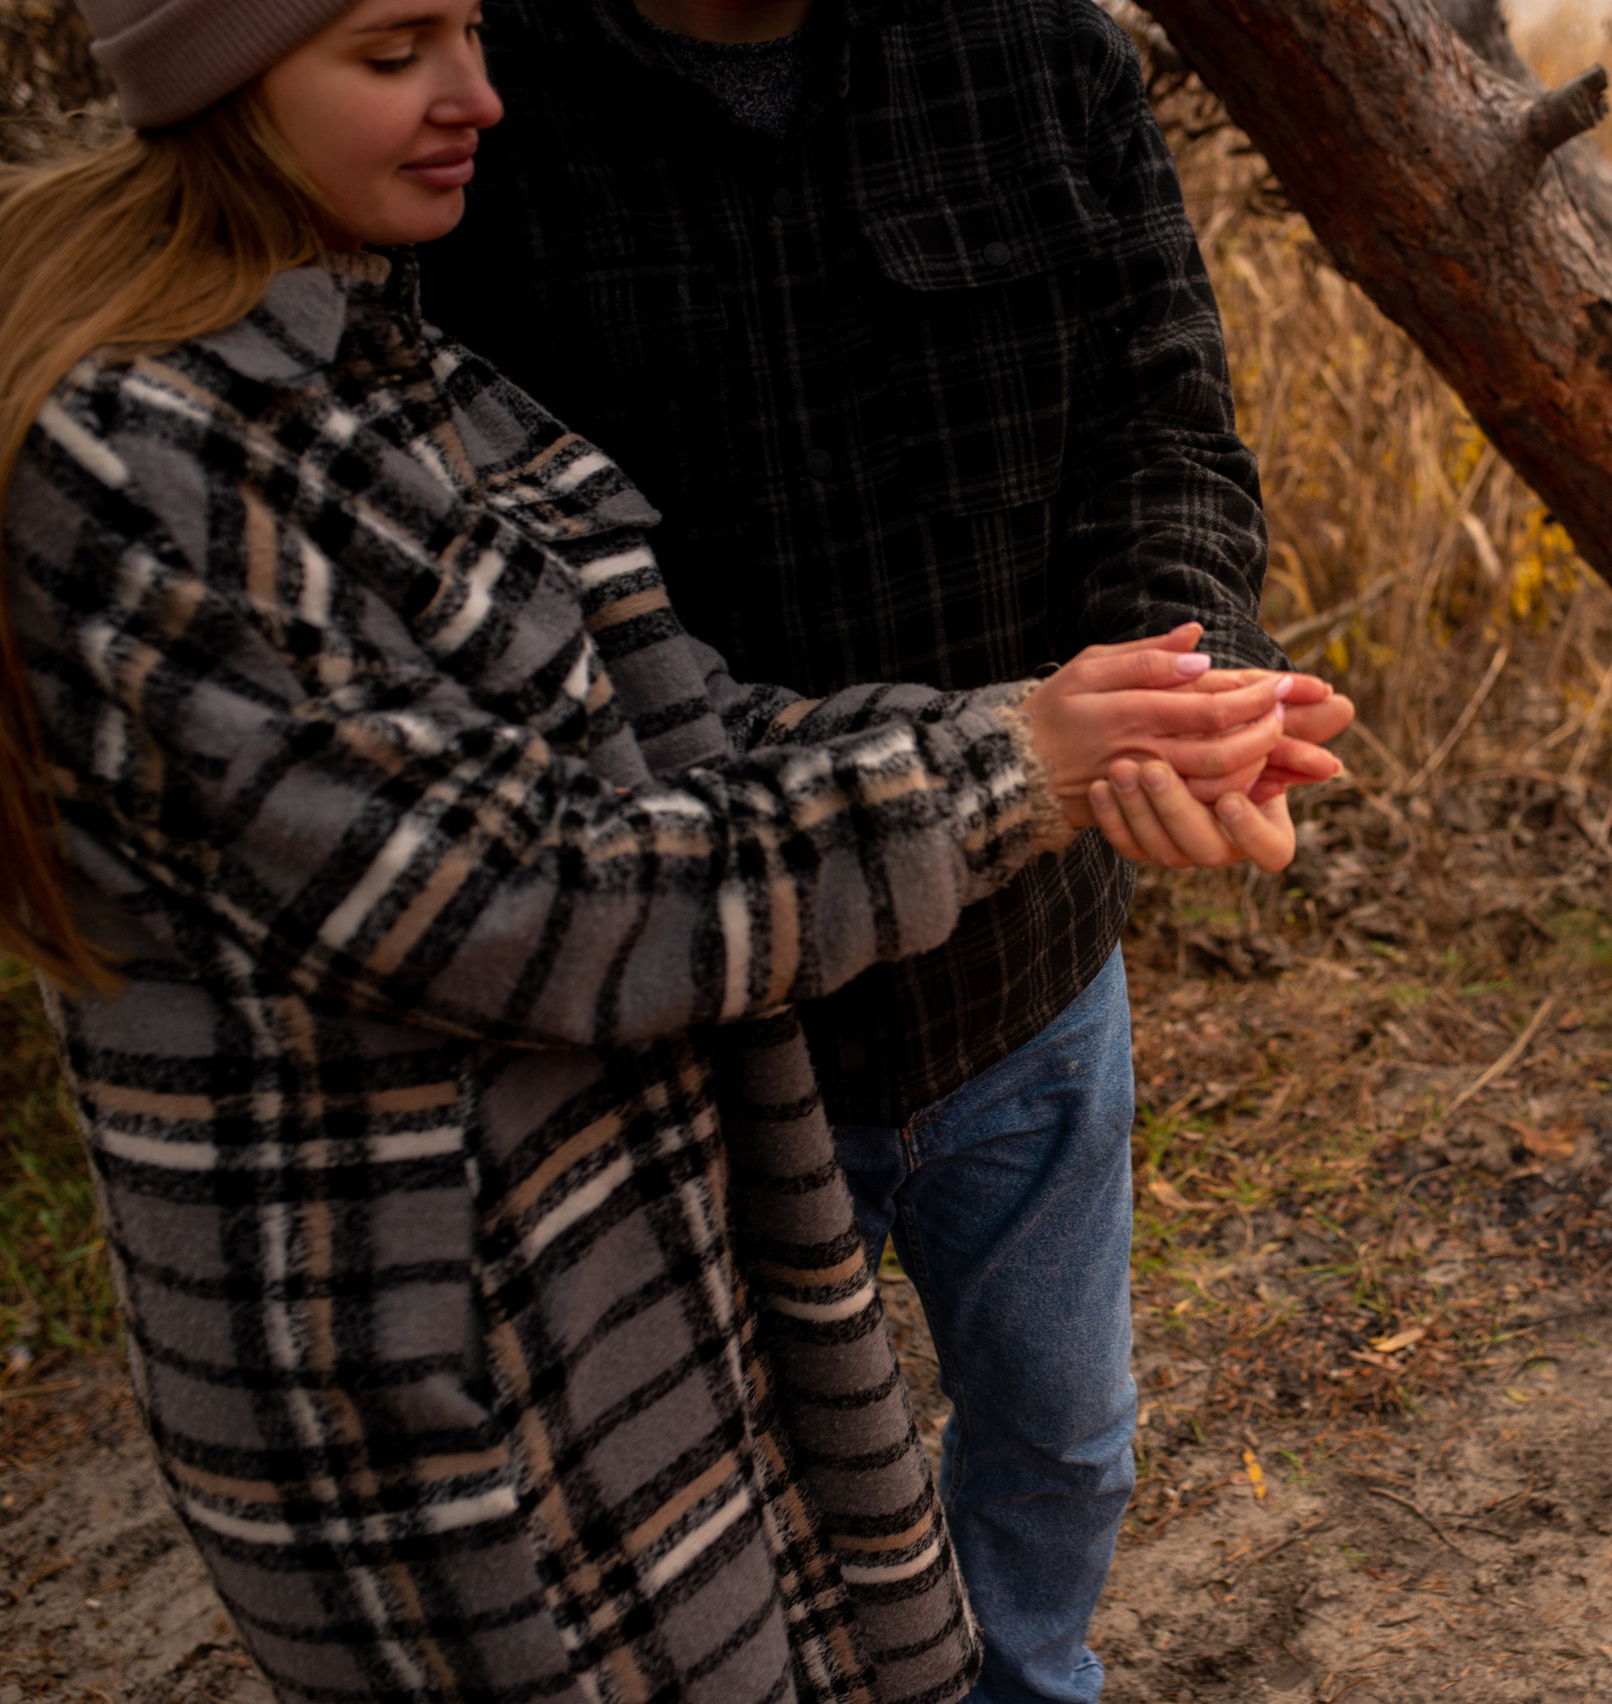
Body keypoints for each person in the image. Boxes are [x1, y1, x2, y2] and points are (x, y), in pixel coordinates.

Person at [0, 2, 1302, 1699]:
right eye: (397, 50)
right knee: (746, 1573)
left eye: (459, 34)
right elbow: (526, 889)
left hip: (962, 998)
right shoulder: (155, 444)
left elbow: (685, 718)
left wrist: (1142, 715)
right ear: (227, 84)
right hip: (560, 1216)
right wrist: (1018, 762)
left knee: (1030, 1457)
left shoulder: (387, 354)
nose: (469, 94)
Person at [417, 6, 1356, 1699]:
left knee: (1067, 1439)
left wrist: (1188, 693)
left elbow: (1163, 429)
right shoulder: (478, 110)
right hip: (704, 1036)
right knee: (749, 1524)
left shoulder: (1041, 52)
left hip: (1028, 981)